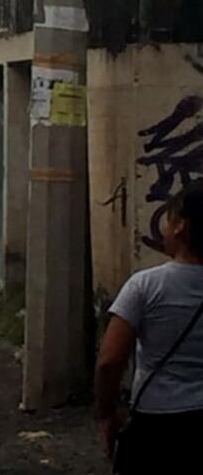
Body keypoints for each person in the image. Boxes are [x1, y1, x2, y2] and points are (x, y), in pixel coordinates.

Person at [96, 182, 203, 474]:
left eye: (168, 220)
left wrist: (107, 414)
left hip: (156, 423)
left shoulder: (145, 285)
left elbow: (110, 361)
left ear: (180, 226)